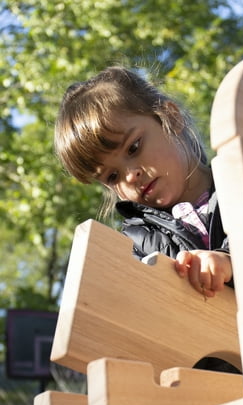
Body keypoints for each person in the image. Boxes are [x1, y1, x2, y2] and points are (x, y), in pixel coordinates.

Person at [54, 66, 233, 299]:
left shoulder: (240, 180)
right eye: (112, 176)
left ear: (170, 117)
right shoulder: (136, 245)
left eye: (133, 147)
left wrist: (230, 261)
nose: (130, 176)